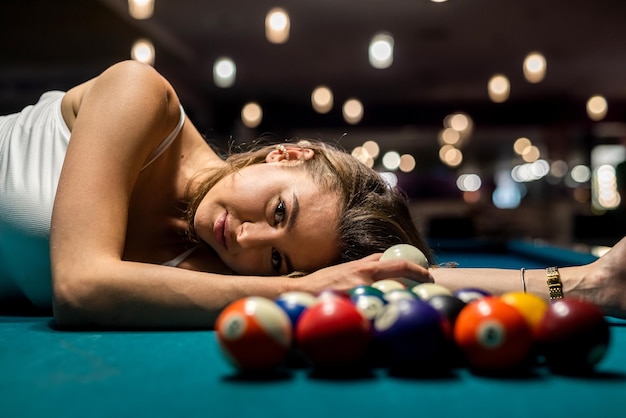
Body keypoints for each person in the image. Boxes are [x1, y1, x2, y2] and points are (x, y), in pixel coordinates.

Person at [0, 61, 625, 328]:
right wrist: (294, 284)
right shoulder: (140, 96)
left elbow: (403, 278)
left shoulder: (207, 263)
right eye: (279, 210)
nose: (247, 240)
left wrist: (582, 284)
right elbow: (79, 287)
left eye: (277, 257)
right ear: (288, 153)